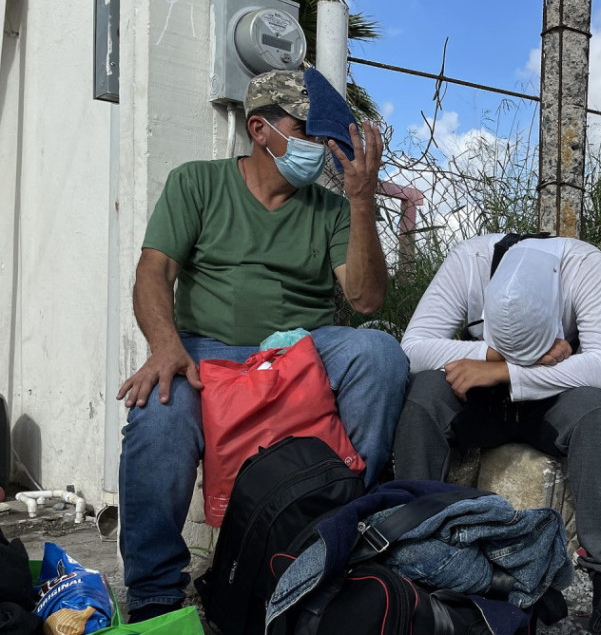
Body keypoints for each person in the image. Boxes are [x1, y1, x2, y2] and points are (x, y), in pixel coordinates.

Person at [115, 70, 408, 621]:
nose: (321, 150)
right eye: (308, 133)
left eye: (327, 138)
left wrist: (363, 202)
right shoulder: (196, 183)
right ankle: (154, 597)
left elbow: (366, 300)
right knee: (159, 411)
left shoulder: (332, 209)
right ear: (261, 129)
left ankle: (335, 538)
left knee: (379, 355)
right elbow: (153, 272)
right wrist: (165, 345)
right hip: (210, 349)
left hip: (303, 348)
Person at [393, 234, 601, 635]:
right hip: (479, 399)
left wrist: (508, 371)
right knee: (423, 397)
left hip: (551, 401)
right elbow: (413, 348)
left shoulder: (583, 265)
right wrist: (490, 356)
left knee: (595, 410)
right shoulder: (468, 261)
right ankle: (411, 554)